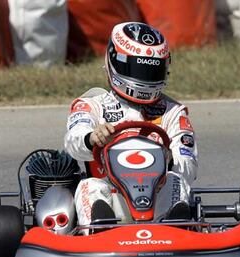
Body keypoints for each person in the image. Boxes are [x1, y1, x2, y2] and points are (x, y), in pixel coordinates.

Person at [64, 22, 198, 232]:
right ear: (116, 61)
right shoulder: (92, 104)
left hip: (156, 194)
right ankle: (100, 231)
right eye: (138, 68)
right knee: (89, 187)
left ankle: (175, 229)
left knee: (175, 181)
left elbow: (188, 164)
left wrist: (169, 158)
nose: (144, 77)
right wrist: (92, 138)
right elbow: (74, 140)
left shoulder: (173, 112)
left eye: (151, 70)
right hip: (111, 194)